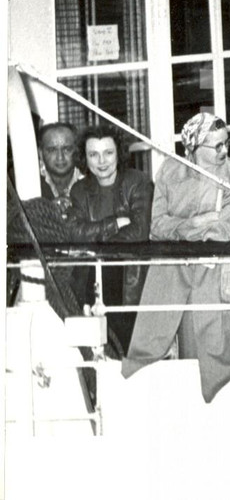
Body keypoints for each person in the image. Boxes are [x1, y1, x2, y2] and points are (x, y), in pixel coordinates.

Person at [123, 113, 230, 402]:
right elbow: (157, 228)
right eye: (216, 146)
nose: (224, 151)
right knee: (166, 359)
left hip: (215, 279)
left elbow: (228, 230)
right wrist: (197, 222)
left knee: (218, 362)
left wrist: (180, 228)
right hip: (170, 277)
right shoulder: (170, 170)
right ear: (193, 147)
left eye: (226, 143)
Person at [64, 125, 153, 353]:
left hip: (128, 275)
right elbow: (74, 232)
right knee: (92, 348)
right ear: (85, 158)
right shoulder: (79, 190)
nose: (101, 161)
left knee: (125, 348)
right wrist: (115, 223)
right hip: (91, 276)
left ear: (119, 153)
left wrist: (97, 241)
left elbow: (140, 231)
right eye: (93, 154)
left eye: (108, 153)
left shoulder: (138, 182)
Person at [37, 122, 83, 213]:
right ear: (41, 154)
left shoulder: (91, 178)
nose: (60, 157)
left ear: (77, 150)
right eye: (52, 150)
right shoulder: (27, 180)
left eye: (67, 149)